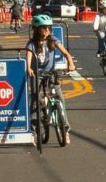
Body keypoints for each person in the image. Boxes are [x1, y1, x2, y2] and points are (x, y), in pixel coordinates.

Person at [26, 14, 76, 145]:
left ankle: (65, 129)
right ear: (37, 29)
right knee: (35, 100)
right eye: (44, 28)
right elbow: (29, 56)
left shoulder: (53, 40)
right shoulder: (32, 43)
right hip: (37, 74)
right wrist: (28, 68)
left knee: (60, 98)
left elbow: (65, 52)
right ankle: (33, 131)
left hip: (51, 73)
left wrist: (70, 62)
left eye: (49, 27)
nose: (47, 30)